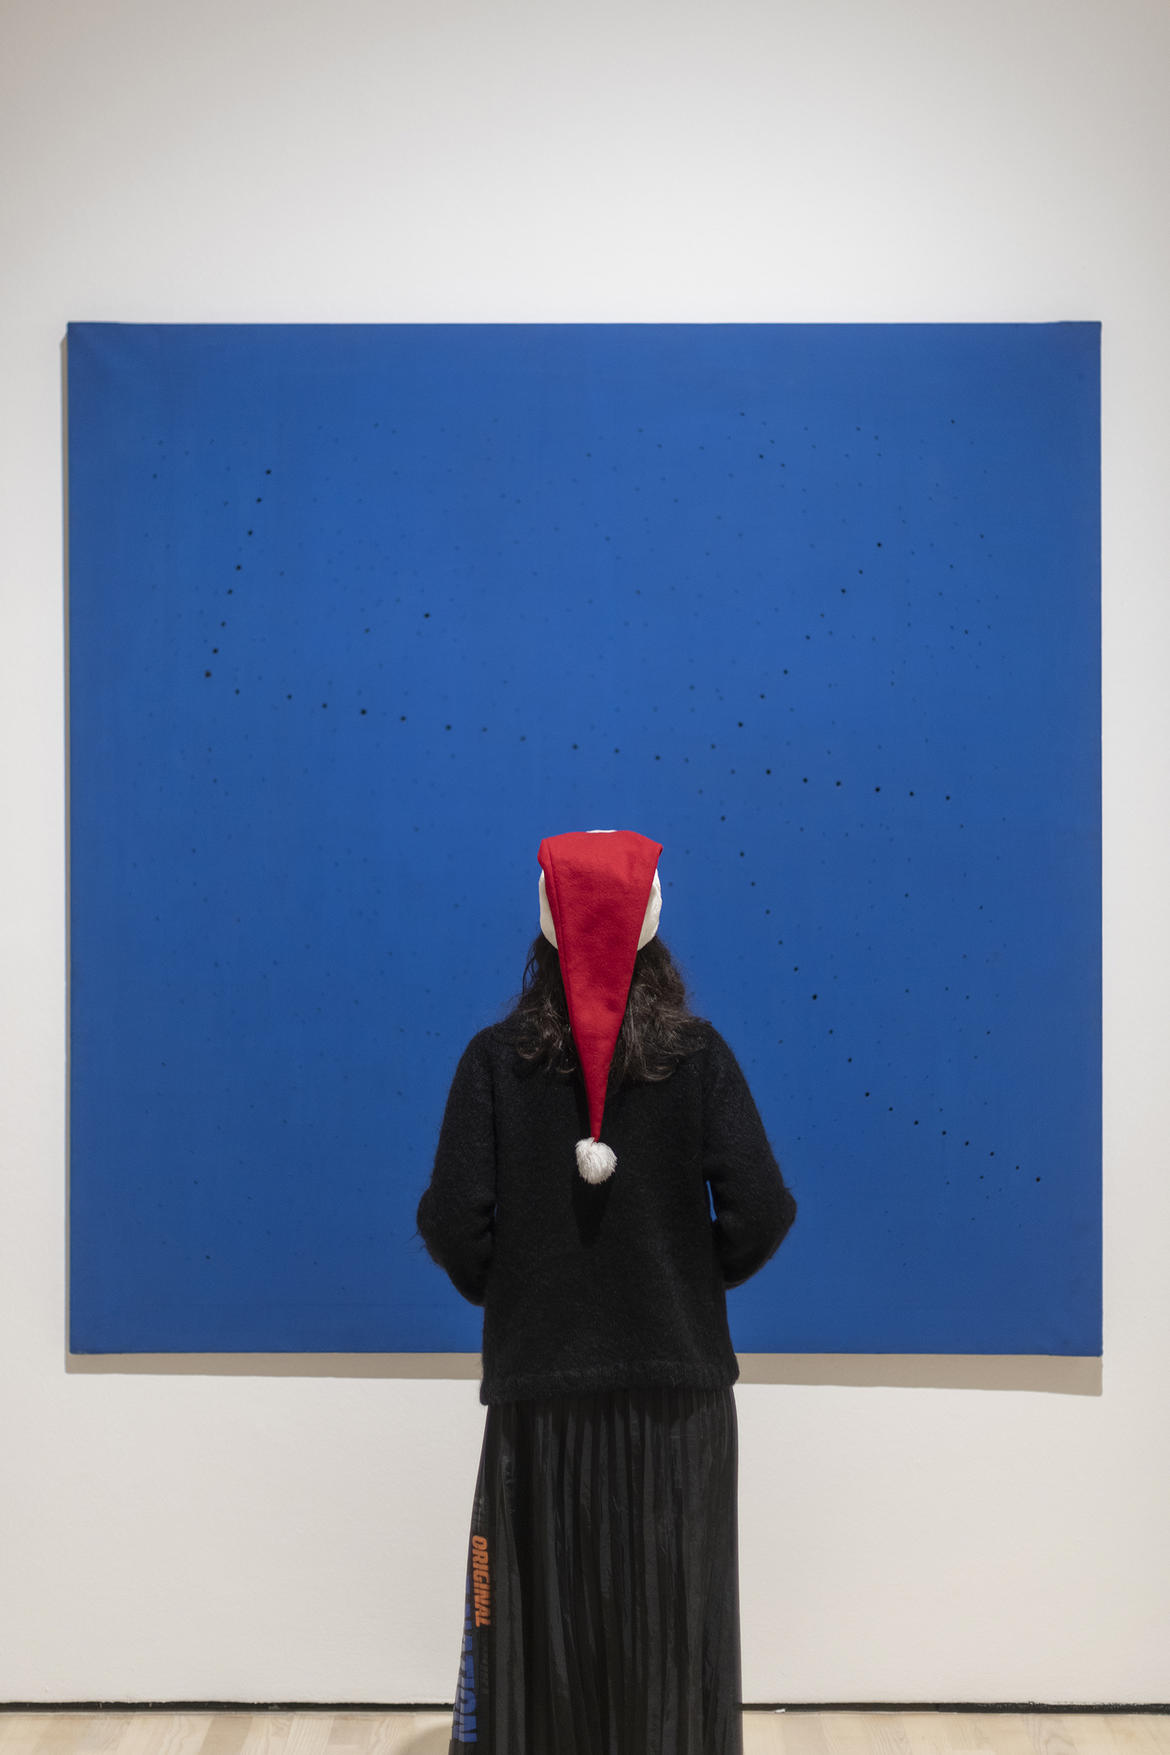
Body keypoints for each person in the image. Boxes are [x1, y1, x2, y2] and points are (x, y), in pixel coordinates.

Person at [413, 828, 798, 1755]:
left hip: (539, 1389)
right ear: (654, 928)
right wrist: (686, 1282)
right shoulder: (697, 1057)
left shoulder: (494, 1061)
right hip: (678, 1396)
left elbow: (453, 1219)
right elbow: (762, 1208)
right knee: (672, 1627)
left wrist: (515, 1288)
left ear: (543, 930)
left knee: (538, 1627)